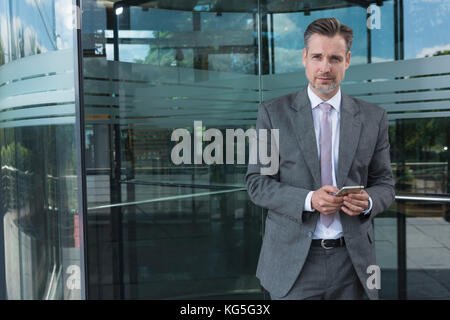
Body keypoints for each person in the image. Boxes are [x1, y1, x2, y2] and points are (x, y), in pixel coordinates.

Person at [245, 17, 395, 300]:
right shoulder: (273, 113)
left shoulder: (374, 118)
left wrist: (369, 201)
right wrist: (308, 200)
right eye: (317, 57)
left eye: (335, 58)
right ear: (304, 58)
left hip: (354, 264)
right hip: (294, 263)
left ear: (347, 60)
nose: (325, 68)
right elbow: (257, 183)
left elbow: (385, 183)